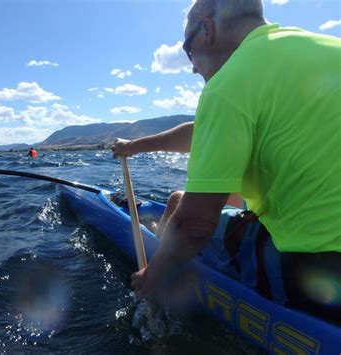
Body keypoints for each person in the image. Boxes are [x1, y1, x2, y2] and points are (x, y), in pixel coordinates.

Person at [112, 0, 340, 323]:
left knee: (178, 204)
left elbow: (196, 225)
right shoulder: (326, 49)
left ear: (207, 29)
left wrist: (151, 278)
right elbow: (204, 131)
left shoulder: (229, 84)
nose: (191, 66)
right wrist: (133, 146)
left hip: (310, 272)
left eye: (187, 49)